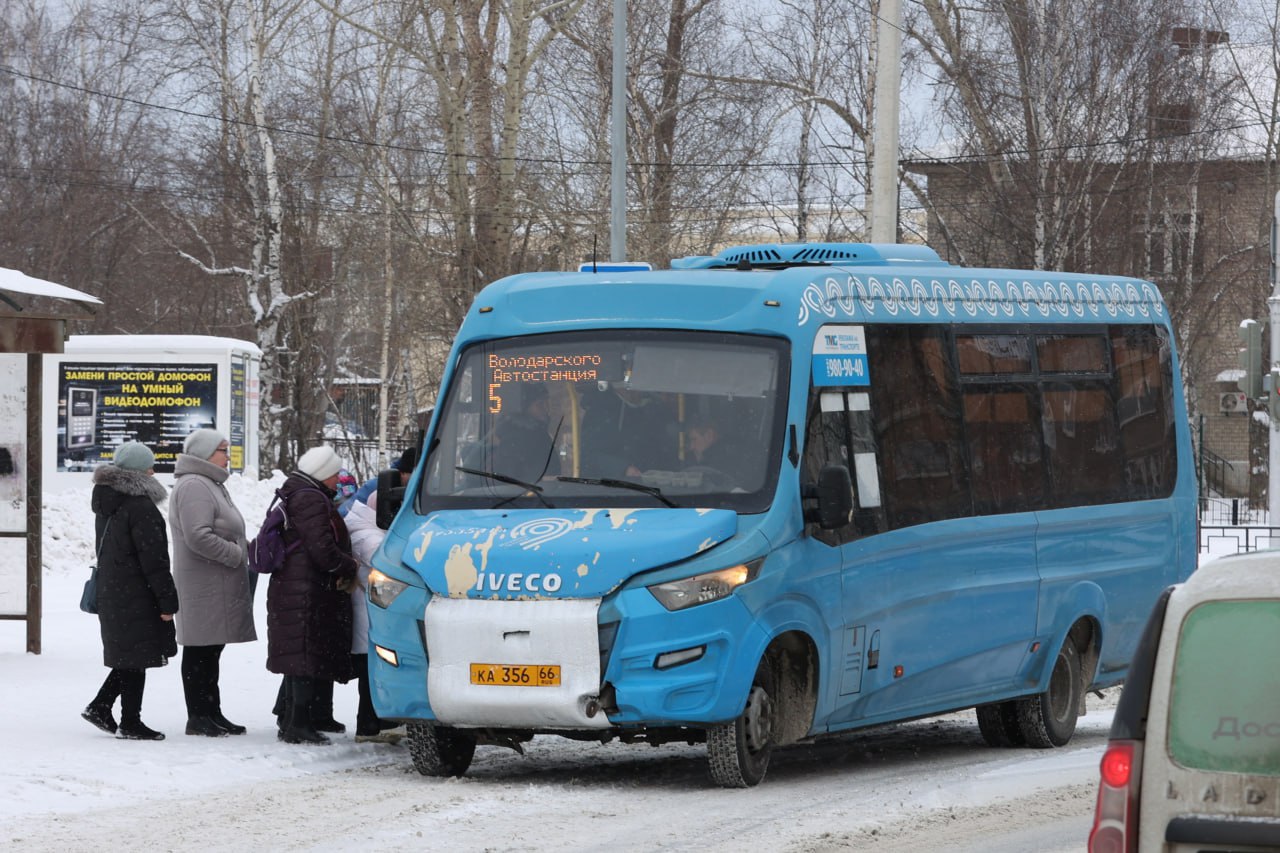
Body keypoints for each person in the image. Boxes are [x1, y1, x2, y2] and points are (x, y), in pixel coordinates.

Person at [81, 441, 178, 741]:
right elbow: (155, 560)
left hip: (115, 589)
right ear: (138, 471)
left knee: (131, 654)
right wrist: (167, 600)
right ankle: (130, 721)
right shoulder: (141, 507)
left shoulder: (108, 501)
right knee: (136, 656)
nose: (153, 471)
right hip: (138, 591)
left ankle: (101, 706)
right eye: (149, 466)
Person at [266, 444, 359, 745]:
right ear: (323, 474)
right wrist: (349, 564)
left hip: (300, 587)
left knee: (301, 657)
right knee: (304, 658)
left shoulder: (302, 493)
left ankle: (295, 719)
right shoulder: (310, 499)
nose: (337, 480)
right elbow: (322, 550)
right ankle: (298, 724)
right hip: (305, 589)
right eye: (335, 474)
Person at [169, 428, 256, 737]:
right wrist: (236, 554)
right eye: (222, 449)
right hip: (203, 586)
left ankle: (212, 712)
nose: (227, 455)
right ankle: (198, 716)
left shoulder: (211, 483)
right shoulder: (195, 485)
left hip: (215, 584)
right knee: (199, 652)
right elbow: (198, 535)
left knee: (211, 651)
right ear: (204, 453)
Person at [343, 491, 398, 742]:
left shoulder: (365, 529)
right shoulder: (369, 538)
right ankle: (370, 726)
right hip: (370, 614)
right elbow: (389, 568)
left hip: (369, 612)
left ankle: (375, 723)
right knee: (371, 673)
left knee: (373, 672)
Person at [337, 447, 417, 518]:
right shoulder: (380, 485)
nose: (416, 479)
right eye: (414, 474)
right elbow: (348, 509)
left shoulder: (403, 485)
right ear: (402, 473)